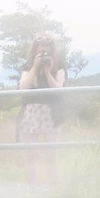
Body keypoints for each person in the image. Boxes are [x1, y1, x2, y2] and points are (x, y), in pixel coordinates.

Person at [17, 34, 66, 187]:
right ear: (34, 52)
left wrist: (47, 71)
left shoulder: (59, 66)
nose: (44, 55)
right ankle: (31, 188)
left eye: (47, 52)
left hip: (51, 112)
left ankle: (54, 188)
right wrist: (35, 67)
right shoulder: (28, 66)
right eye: (41, 52)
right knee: (30, 155)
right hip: (31, 111)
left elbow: (57, 89)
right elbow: (23, 87)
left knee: (51, 154)